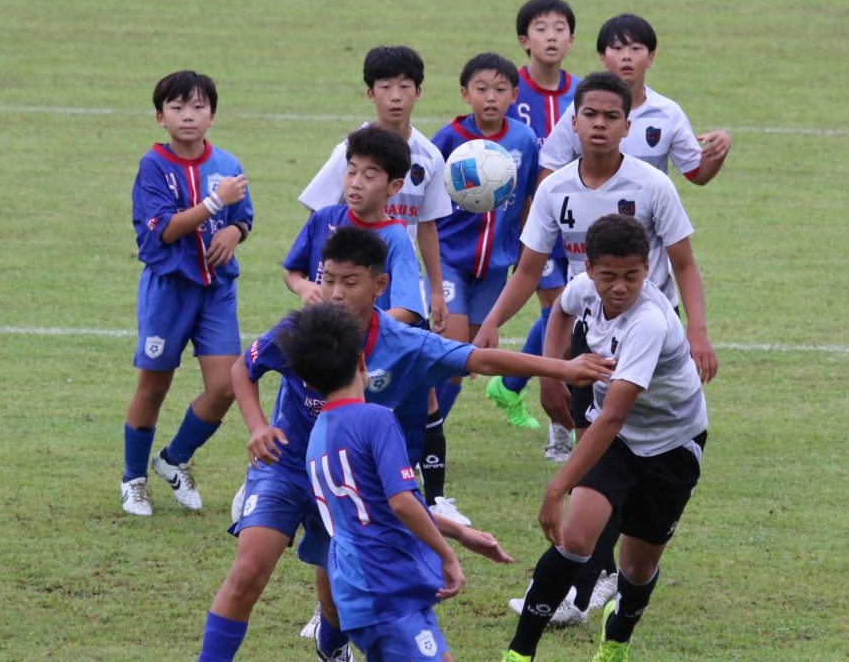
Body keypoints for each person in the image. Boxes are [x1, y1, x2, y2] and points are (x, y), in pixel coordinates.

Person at [198, 227, 612, 662]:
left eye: (349, 282)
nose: (335, 293)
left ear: (380, 285)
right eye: (329, 279)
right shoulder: (305, 330)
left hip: (348, 485)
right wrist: (258, 427)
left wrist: (561, 369)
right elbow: (244, 368)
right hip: (284, 467)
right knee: (248, 571)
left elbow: (480, 358)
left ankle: (331, 647)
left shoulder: (405, 344)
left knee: (335, 599)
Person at [475, 71, 718, 626]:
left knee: (605, 454)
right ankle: (591, 576)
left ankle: (583, 584)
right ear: (574, 121)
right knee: (598, 460)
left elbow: (684, 264)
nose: (601, 125)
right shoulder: (555, 189)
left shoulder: (652, 186)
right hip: (589, 330)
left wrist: (698, 331)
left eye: (612, 116)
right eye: (591, 115)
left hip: (648, 335)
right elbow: (530, 271)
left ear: (627, 125)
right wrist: (499, 330)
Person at [502, 215, 709, 662]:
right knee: (575, 540)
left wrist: (557, 487)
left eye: (632, 276)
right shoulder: (583, 288)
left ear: (648, 268)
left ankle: (615, 641)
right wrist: (552, 373)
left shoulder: (648, 322)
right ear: (590, 269)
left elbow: (614, 415)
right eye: (608, 276)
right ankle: (518, 654)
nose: (619, 287)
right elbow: (559, 310)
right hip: (615, 440)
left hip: (671, 446)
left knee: (637, 568)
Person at [298, 45, 452, 517]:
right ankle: (305, 476)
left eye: (405, 86)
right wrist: (318, 287)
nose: (396, 96)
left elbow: (427, 225)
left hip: (395, 289)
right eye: (386, 86)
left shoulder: (428, 157)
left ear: (419, 92)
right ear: (371, 93)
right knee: (323, 389)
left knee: (423, 388)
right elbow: (320, 220)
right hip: (345, 295)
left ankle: (435, 497)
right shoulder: (348, 152)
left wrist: (435, 289)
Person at [292, 302, 465, 662]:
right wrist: (447, 555)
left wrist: (462, 534)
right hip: (386, 585)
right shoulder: (376, 419)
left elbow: (371, 508)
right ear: (362, 360)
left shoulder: (317, 435)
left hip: (358, 586)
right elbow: (402, 503)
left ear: (308, 382)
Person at [121, 70, 252, 516]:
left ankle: (173, 459)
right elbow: (165, 230)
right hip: (169, 290)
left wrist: (235, 230)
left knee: (226, 386)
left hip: (217, 289)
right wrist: (215, 204)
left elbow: (243, 217)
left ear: (212, 115)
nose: (188, 116)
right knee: (154, 386)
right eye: (177, 108)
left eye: (198, 107)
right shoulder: (154, 166)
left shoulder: (228, 165)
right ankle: (133, 479)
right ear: (161, 117)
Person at [488, 0, 579, 460]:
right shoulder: (508, 91)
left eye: (559, 28)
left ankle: (510, 384)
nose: (551, 36)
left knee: (562, 312)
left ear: (571, 39)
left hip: (577, 220)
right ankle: (559, 426)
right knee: (558, 309)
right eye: (541, 28)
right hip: (530, 224)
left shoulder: (583, 93)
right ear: (525, 40)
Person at [430, 52, 539, 430]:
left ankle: (429, 433)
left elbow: (528, 199)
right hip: (450, 259)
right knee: (452, 356)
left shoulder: (524, 139)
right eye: (481, 89)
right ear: (465, 94)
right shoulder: (449, 138)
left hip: (496, 265)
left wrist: (526, 250)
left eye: (500, 89)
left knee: (466, 360)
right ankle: (425, 438)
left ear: (514, 95)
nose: (490, 97)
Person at [539, 13, 731, 184]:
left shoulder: (668, 113)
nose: (626, 56)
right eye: (617, 48)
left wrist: (720, 148)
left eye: (636, 48)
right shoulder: (582, 111)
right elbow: (550, 168)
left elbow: (698, 174)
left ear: (651, 57)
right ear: (603, 57)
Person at [284, 124, 425, 325]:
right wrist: (303, 287)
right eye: (351, 172)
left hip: (367, 342)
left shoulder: (396, 238)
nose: (356, 183)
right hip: (323, 335)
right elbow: (292, 272)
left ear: (394, 186)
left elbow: (407, 310)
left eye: (369, 176)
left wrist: (360, 326)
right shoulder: (324, 218)